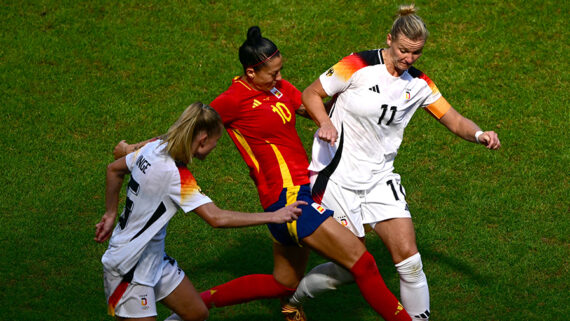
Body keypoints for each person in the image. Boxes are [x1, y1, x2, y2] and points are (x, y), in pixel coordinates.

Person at [118, 27, 411, 321]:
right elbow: (185, 131)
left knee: (284, 283)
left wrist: (362, 98)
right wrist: (132, 148)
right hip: (289, 199)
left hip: (298, 194)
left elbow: (318, 109)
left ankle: (189, 310)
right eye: (272, 73)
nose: (279, 78)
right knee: (364, 265)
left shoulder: (281, 89)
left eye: (280, 70)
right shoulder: (234, 100)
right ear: (250, 72)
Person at [286, 4, 501, 320]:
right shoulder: (357, 64)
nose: (409, 59)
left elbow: (454, 120)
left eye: (416, 53)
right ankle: (294, 301)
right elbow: (311, 94)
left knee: (410, 261)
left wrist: (480, 134)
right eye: (404, 51)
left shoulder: (418, 84)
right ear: (389, 39)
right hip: (336, 178)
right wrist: (324, 123)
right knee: (350, 268)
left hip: (379, 177)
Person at [95, 102, 306, 321]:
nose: (215, 147)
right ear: (203, 140)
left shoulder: (154, 147)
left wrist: (111, 213)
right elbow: (216, 218)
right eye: (216, 141)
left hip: (153, 258)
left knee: (196, 314)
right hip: (127, 268)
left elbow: (114, 169)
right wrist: (274, 216)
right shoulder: (176, 175)